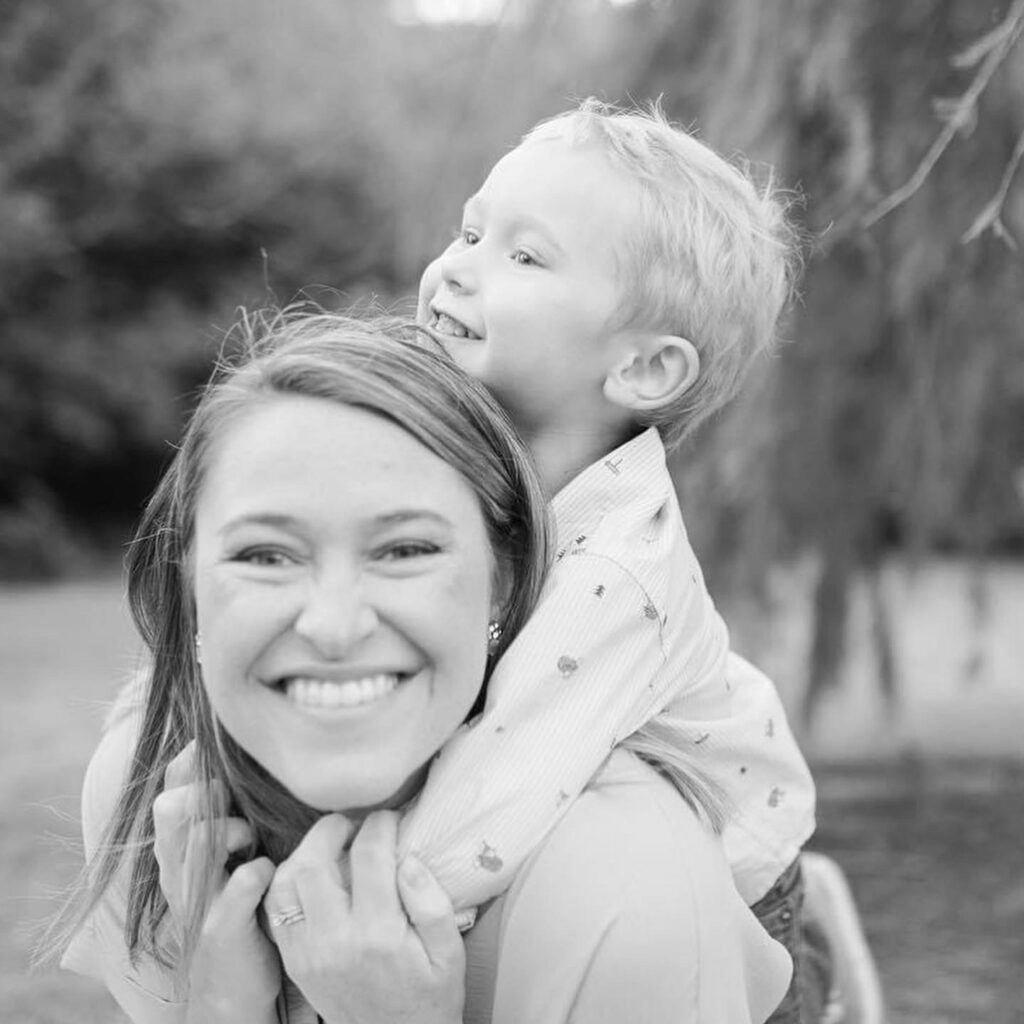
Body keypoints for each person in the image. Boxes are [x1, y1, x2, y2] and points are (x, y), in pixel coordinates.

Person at [58, 312, 792, 1023]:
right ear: (189, 591)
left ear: (502, 580)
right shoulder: (149, 804)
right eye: (265, 556)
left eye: (404, 551)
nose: (335, 627)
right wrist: (219, 1007)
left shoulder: (625, 893)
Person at [402, 99, 824, 1023]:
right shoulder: (457, 466)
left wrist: (366, 921)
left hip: (738, 894)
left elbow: (500, 797)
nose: (459, 269)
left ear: (642, 371)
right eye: (470, 231)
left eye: (522, 256)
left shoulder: (618, 567)